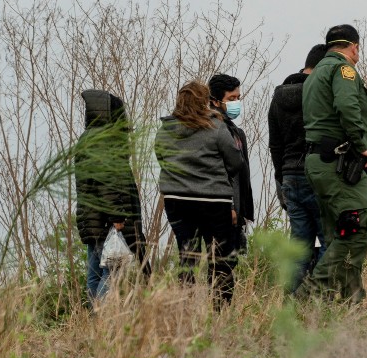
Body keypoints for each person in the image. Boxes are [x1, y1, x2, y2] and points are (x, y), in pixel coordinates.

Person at [300, 24, 367, 302]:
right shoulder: (344, 70)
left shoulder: (316, 72)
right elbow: (347, 106)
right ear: (354, 47)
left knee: (340, 233)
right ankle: (306, 300)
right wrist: (363, 146)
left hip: (320, 161)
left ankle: (349, 305)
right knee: (357, 228)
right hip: (339, 162)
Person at [156, 81, 246, 301]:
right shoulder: (215, 127)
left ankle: (185, 310)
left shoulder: (166, 129)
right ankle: (219, 310)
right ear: (205, 101)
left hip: (177, 201)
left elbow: (162, 158)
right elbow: (235, 161)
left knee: (188, 256)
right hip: (213, 201)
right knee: (219, 258)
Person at [268, 43, 329, 291]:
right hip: (318, 175)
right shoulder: (320, 94)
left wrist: (281, 179)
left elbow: (275, 144)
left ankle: (293, 297)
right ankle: (322, 297)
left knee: (299, 243)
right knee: (329, 240)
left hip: (290, 176)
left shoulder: (279, 96)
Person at [75, 89, 143, 303]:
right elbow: (107, 181)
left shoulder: (87, 139)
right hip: (107, 220)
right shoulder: (105, 140)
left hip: (92, 218)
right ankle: (104, 319)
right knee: (112, 272)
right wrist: (117, 217)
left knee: (94, 273)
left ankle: (95, 322)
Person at [207, 74, 254, 251]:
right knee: (222, 259)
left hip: (236, 208)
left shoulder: (235, 130)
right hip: (222, 206)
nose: (236, 103)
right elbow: (221, 170)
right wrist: (231, 205)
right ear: (216, 101)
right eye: (231, 98)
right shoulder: (214, 129)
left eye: (238, 98)